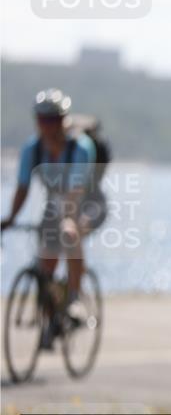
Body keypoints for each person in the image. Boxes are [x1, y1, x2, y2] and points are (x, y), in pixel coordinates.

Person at [1, 89, 104, 346]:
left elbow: (76, 191)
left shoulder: (80, 147)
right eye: (42, 120)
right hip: (55, 205)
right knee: (45, 266)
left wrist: (68, 221)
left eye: (53, 120)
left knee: (70, 233)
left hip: (88, 203)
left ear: (63, 120)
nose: (47, 126)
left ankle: (75, 299)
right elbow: (22, 188)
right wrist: (10, 218)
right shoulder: (33, 149)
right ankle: (52, 319)